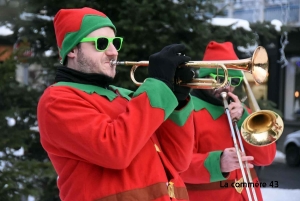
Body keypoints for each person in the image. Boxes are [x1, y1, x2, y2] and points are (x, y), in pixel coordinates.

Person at [37, 7, 195, 201]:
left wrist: (176, 102)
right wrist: (159, 85)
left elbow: (178, 160)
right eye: (102, 43)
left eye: (115, 42)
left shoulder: (126, 96)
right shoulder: (58, 100)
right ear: (73, 50)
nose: (113, 52)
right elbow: (116, 151)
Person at [180, 41, 277, 201]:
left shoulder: (242, 111)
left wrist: (245, 121)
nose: (226, 86)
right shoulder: (186, 111)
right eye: (219, 78)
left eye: (233, 81)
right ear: (204, 78)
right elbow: (177, 166)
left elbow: (266, 157)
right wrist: (218, 163)